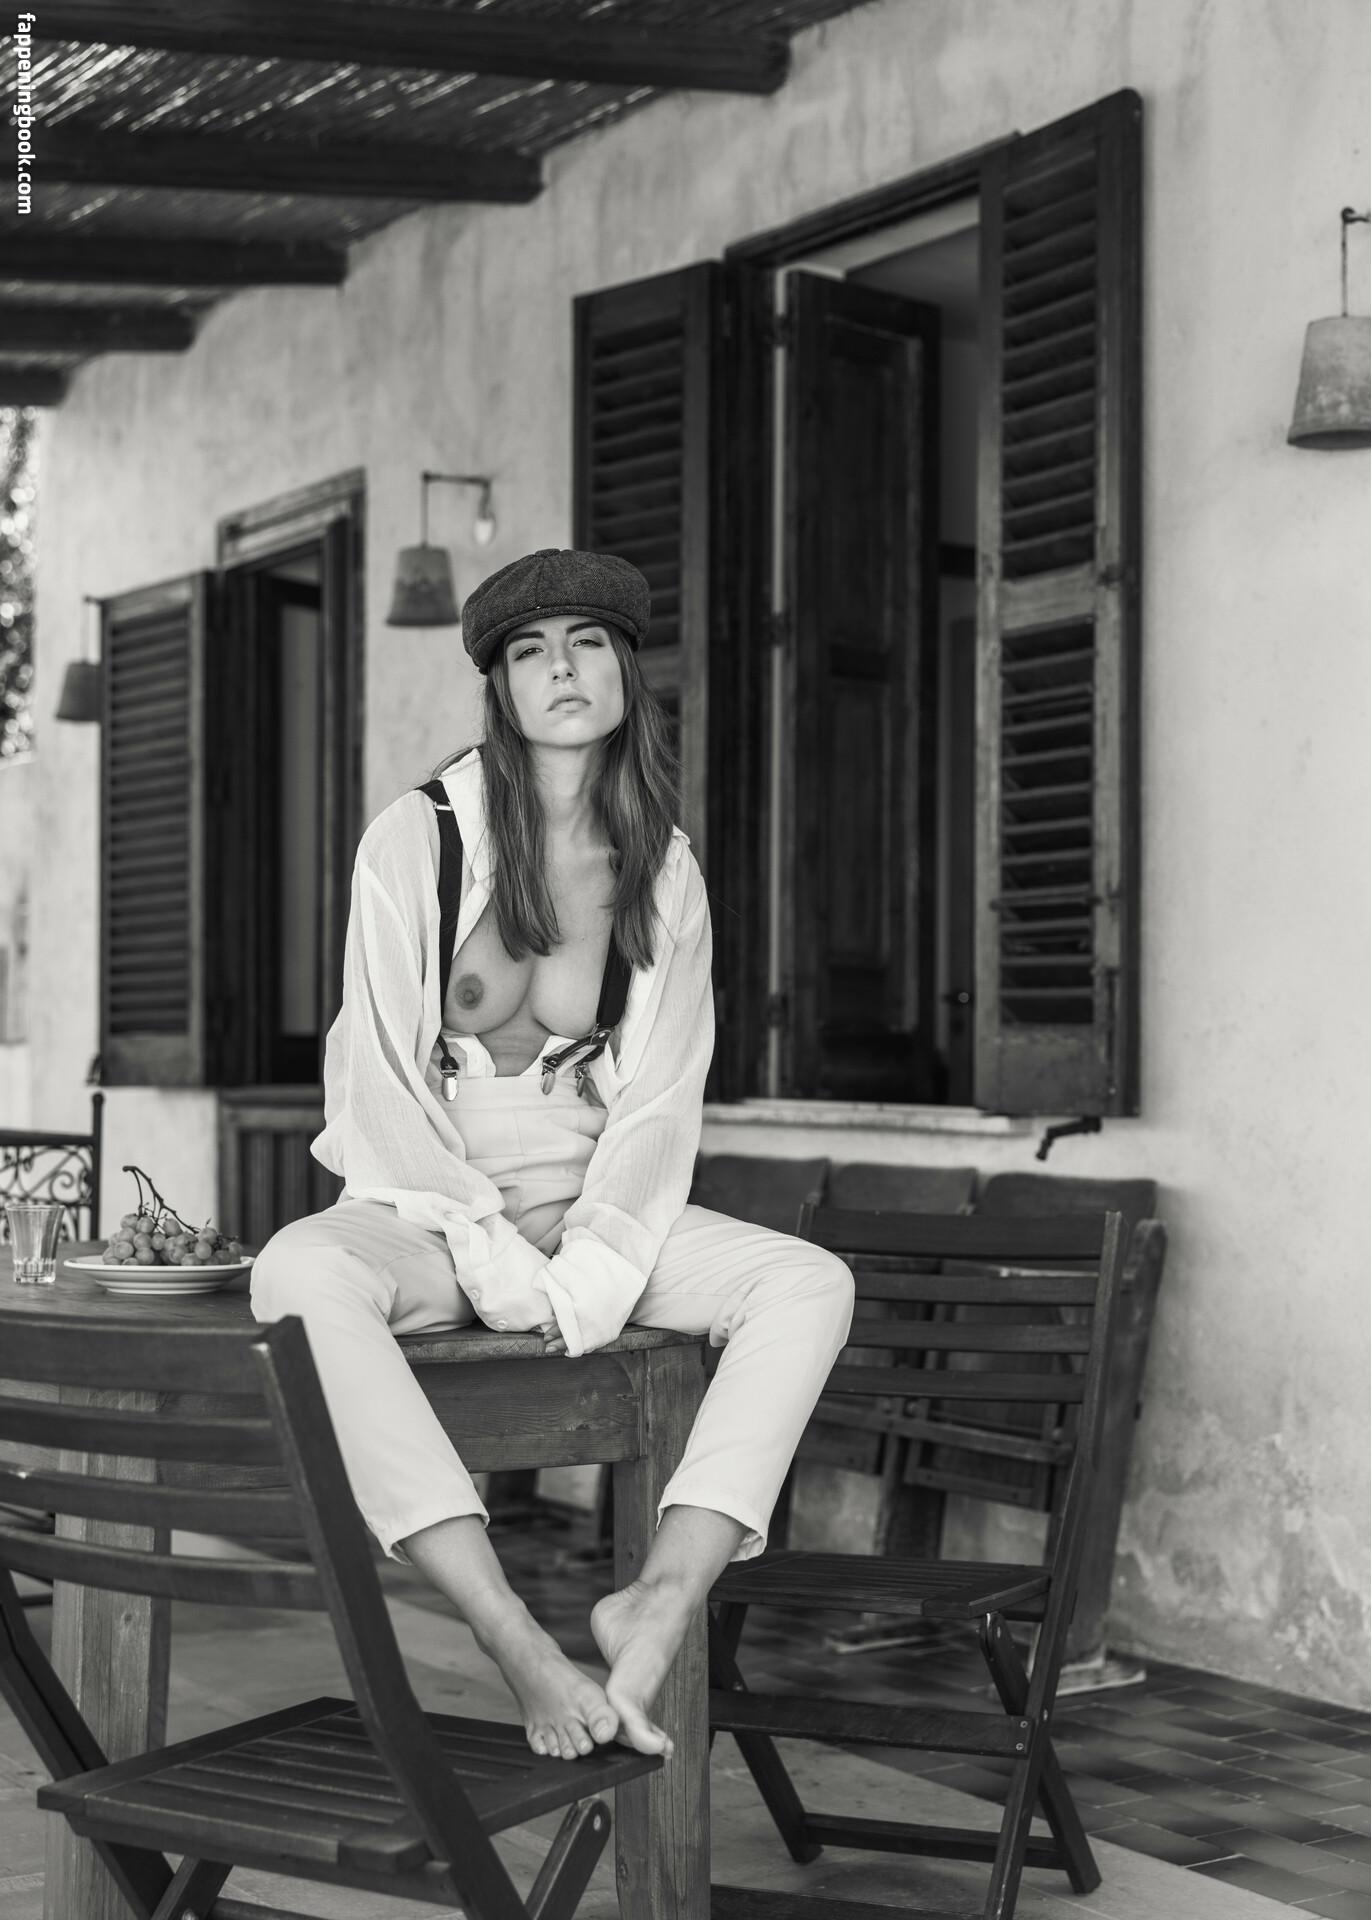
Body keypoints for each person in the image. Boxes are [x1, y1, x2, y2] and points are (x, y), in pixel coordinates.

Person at [251, 548, 854, 1763]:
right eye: (530, 651)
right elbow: (375, 1080)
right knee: (297, 1274)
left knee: (807, 1284)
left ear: (625, 670)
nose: (561, 669)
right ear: (502, 687)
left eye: (585, 643)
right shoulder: (415, 840)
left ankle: (663, 1596)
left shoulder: (664, 873)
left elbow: (660, 1107)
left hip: (588, 1199)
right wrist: (485, 1252)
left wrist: (590, 1267)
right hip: (425, 1203)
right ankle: (508, 1629)